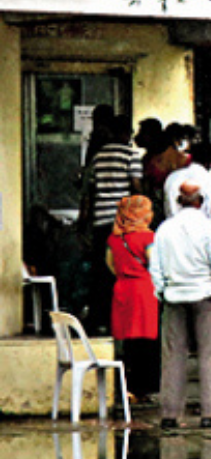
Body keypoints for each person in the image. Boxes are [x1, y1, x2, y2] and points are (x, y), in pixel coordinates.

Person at [149, 180, 211, 429]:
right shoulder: (209, 228)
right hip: (206, 295)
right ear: (201, 202)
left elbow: (155, 267)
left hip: (174, 296)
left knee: (173, 357)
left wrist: (162, 291)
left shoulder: (164, 229)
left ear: (178, 202)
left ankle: (170, 414)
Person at [82, 115, 140, 333]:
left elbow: (90, 192)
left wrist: (84, 222)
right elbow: (136, 186)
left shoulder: (98, 156)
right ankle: (121, 318)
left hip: (101, 220)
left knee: (101, 271)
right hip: (123, 223)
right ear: (126, 133)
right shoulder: (131, 155)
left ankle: (100, 318)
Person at [106, 195, 158, 404]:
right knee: (145, 340)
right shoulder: (148, 237)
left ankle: (127, 387)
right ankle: (142, 387)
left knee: (127, 340)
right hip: (144, 290)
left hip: (122, 289)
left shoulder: (114, 239)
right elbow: (154, 263)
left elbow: (110, 264)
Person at [164, 138, 211, 219]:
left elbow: (168, 207)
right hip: (201, 224)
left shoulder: (172, 177)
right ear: (210, 162)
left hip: (173, 223)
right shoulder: (210, 179)